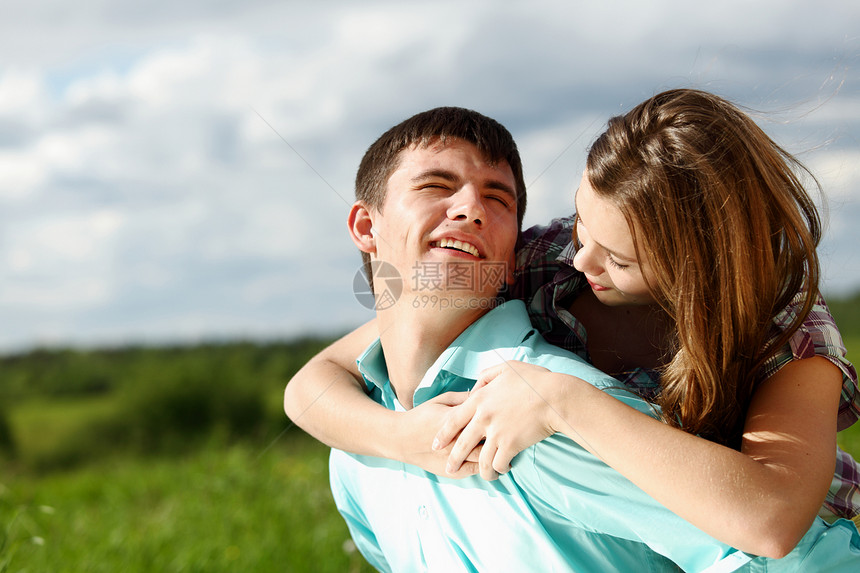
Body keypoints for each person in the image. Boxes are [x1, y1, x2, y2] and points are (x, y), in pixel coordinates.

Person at [286, 94, 860, 569]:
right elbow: (323, 377)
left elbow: (773, 522)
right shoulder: (547, 258)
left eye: (617, 257)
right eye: (582, 222)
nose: (581, 262)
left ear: (694, 268)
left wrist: (564, 402)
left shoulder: (785, 330)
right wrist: (405, 439)